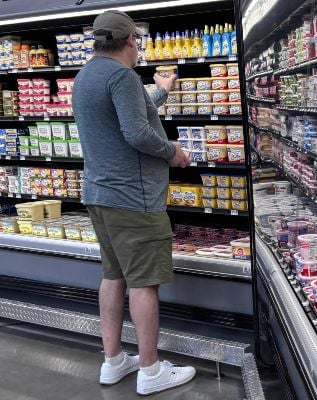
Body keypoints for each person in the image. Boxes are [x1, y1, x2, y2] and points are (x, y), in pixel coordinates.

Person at [72, 10, 195, 395]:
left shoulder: (86, 75)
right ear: (130, 41)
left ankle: (113, 362)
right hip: (134, 198)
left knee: (113, 276)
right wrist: (171, 151)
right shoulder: (122, 76)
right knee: (144, 283)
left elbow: (124, 113)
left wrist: (161, 92)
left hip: (100, 193)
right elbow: (137, 132)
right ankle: (151, 370)